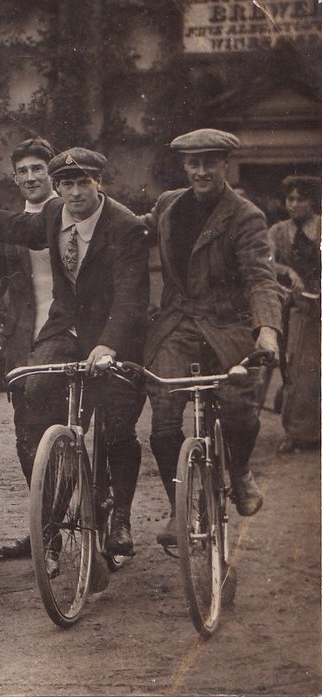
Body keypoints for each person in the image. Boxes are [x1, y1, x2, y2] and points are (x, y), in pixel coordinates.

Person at [0, 147, 148, 557]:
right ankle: (60, 468)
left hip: (118, 334)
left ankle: (120, 516)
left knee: (118, 427)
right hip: (68, 327)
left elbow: (130, 297)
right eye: (67, 184)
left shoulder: (124, 226)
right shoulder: (55, 216)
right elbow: (20, 226)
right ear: (58, 188)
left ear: (99, 184)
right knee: (35, 386)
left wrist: (108, 345)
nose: (74, 193)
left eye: (82, 183)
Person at [137, 128, 282, 545]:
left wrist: (267, 332)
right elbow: (132, 229)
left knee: (239, 408)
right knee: (163, 422)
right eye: (194, 163)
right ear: (184, 166)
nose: (201, 171)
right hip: (177, 324)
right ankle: (178, 506)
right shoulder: (169, 205)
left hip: (229, 326)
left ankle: (240, 474)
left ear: (225, 165)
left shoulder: (245, 216)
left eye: (210, 162)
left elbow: (260, 279)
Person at [0, 137, 58, 560]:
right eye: (23, 171)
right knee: (28, 437)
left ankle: (94, 525)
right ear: (15, 179)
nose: (31, 177)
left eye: (38, 169)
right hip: (23, 344)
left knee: (73, 432)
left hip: (70, 337)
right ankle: (46, 529)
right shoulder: (9, 231)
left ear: (51, 174)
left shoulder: (70, 213)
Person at [267, 175, 320, 453]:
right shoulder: (278, 232)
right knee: (295, 367)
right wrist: (288, 271)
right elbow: (265, 260)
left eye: (301, 198)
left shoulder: (321, 227)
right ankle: (295, 431)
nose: (294, 204)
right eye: (290, 199)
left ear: (312, 201)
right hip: (295, 307)